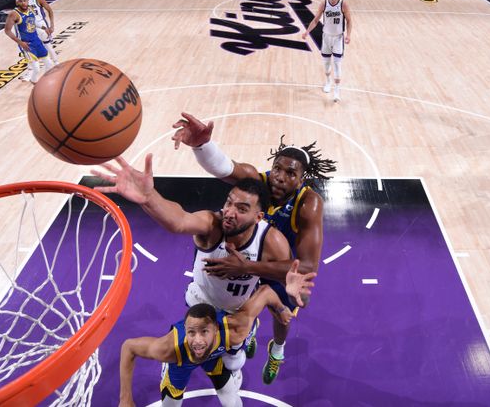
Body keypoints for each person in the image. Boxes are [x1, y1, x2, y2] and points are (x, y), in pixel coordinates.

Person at [171, 112, 336, 384]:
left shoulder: (309, 204)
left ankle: (277, 350)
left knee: (288, 312)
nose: (279, 177)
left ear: (302, 178)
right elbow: (225, 167)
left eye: (290, 173)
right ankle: (245, 332)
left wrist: (246, 267)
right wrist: (202, 145)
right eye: (278, 168)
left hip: (279, 264)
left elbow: (306, 267)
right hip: (246, 252)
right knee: (237, 304)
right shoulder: (258, 180)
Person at [91, 156, 293, 370]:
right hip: (202, 301)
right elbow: (179, 220)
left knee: (233, 364)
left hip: (238, 310)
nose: (230, 213)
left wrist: (250, 270)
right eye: (228, 202)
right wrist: (150, 197)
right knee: (193, 354)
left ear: (258, 216)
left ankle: (251, 336)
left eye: (242, 209)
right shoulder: (212, 225)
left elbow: (292, 279)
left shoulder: (272, 241)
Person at [118, 261, 315, 407]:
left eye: (204, 332)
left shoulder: (233, 330)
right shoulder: (168, 348)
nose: (197, 340)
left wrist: (281, 307)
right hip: (181, 362)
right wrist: (125, 398)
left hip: (214, 357)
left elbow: (264, 292)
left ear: (215, 329)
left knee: (233, 402)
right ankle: (167, 371)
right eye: (191, 332)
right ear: (185, 331)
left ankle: (245, 343)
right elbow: (129, 347)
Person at [301, 0, 352, 102]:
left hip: (338, 38)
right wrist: (307, 32)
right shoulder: (324, 4)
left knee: (337, 64)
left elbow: (349, 21)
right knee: (327, 65)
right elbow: (315, 20)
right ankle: (328, 82)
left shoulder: (343, 4)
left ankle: (337, 90)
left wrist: (348, 35)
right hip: (326, 38)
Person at [3, 0, 55, 83]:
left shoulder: (30, 9)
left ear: (27, 2)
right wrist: (20, 43)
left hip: (36, 40)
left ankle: (44, 81)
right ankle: (34, 82)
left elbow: (33, 21)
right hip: (26, 44)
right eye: (20, 1)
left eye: (25, 1)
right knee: (36, 68)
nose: (23, 3)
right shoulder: (14, 14)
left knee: (49, 64)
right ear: (17, 3)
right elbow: (7, 31)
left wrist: (43, 27)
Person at [18, 0, 59, 81]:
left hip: (41, 25)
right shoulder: (20, 0)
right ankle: (30, 71)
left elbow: (49, 10)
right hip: (29, 27)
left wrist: (51, 25)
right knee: (28, 49)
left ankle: (57, 64)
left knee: (48, 45)